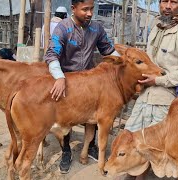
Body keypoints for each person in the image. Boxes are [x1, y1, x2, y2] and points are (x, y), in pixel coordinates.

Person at [43, 0, 120, 174]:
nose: (90, 13)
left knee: (91, 116)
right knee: (66, 118)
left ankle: (91, 146)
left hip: (90, 80)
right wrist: (59, 77)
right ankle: (66, 151)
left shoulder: (96, 28)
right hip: (67, 80)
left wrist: (125, 62)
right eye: (85, 9)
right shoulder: (63, 28)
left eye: (92, 9)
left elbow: (107, 49)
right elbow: (51, 53)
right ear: (73, 8)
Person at [123, 0, 178, 178]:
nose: (168, 6)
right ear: (159, 3)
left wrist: (159, 80)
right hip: (146, 93)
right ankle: (132, 173)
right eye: (165, 1)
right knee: (130, 135)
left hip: (164, 97)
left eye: (173, 2)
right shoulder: (156, 27)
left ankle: (141, 175)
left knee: (152, 144)